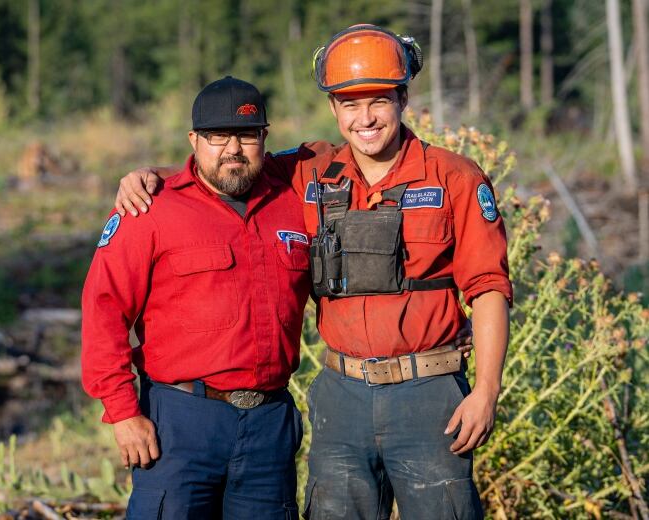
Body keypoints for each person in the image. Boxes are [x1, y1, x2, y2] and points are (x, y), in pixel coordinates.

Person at [114, 24, 510, 520]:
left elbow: (489, 288)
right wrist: (150, 178)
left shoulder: (456, 177)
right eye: (349, 103)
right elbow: (227, 165)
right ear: (333, 109)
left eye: (379, 101)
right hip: (341, 396)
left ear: (403, 99)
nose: (364, 118)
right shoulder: (309, 171)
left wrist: (486, 392)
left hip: (428, 395)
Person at [80, 76, 312, 519]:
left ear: (264, 138)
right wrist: (123, 413)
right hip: (180, 423)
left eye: (246, 135)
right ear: (194, 140)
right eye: (217, 136)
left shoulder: (293, 200)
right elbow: (103, 308)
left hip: (269, 424)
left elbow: (344, 153)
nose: (232, 149)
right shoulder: (148, 208)